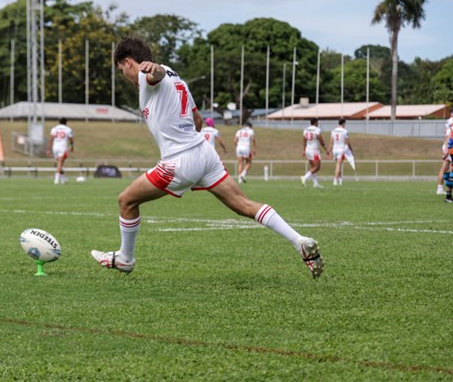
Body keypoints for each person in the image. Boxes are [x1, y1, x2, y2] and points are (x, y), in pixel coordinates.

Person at [90, 36, 324, 279]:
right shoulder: (177, 77)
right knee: (243, 204)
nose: (124, 76)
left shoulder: (146, 75)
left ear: (128, 62)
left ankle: (126, 259)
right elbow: (198, 120)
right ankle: (299, 240)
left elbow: (154, 75)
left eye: (121, 70)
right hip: (204, 154)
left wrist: (152, 69)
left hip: (178, 161)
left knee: (126, 200)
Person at [301, 118, 329, 188]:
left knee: (312, 167)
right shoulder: (317, 130)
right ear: (316, 122)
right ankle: (305, 177)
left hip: (308, 149)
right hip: (314, 150)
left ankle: (315, 183)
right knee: (317, 167)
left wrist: (304, 150)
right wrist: (326, 149)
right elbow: (321, 141)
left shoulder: (306, 129)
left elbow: (304, 140)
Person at [47, 117, 74, 184]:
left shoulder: (54, 128)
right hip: (62, 147)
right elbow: (71, 139)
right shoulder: (68, 129)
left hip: (55, 147)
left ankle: (63, 179)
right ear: (66, 122)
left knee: (60, 163)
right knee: (60, 163)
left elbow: (51, 139)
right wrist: (72, 146)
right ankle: (56, 179)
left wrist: (49, 149)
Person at [329, 118, 354, 186]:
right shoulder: (345, 131)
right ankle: (335, 181)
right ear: (343, 123)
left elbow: (331, 142)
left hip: (334, 149)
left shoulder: (333, 130)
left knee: (338, 165)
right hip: (341, 149)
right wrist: (351, 150)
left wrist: (329, 150)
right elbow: (347, 142)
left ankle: (340, 180)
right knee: (338, 165)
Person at [436, 111, 453, 194]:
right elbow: (448, 136)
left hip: (448, 145)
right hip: (450, 146)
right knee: (449, 168)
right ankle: (447, 192)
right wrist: (447, 148)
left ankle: (440, 188)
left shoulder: (449, 121)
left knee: (445, 168)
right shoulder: (451, 121)